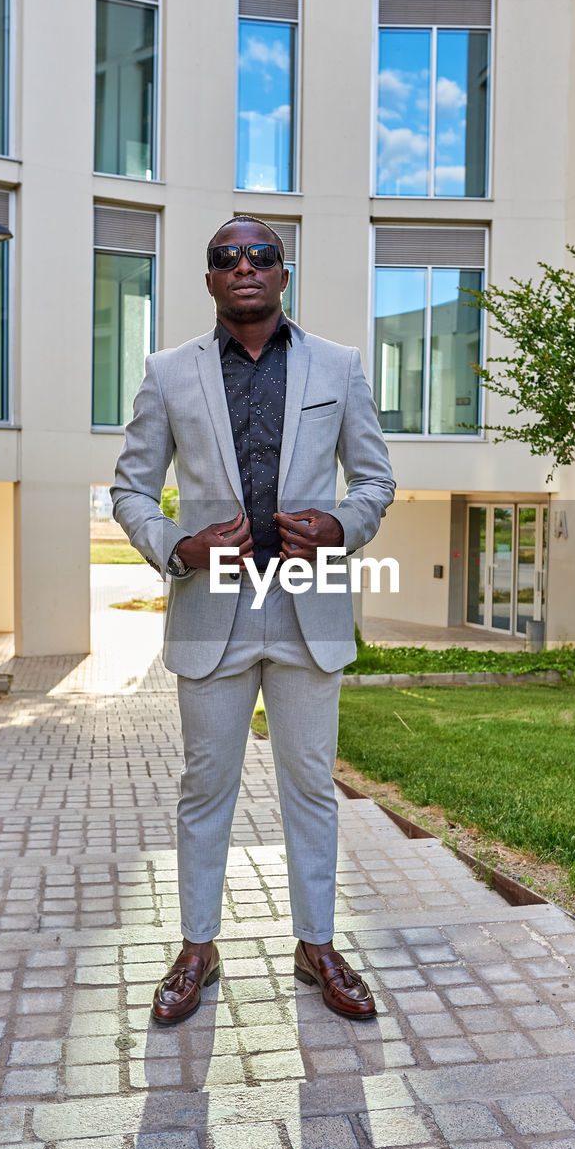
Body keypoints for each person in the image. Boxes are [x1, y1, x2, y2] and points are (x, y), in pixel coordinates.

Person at [111, 216, 394, 1025]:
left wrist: (342, 526)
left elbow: (374, 480)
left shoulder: (340, 365)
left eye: (261, 255)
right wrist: (178, 545)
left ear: (283, 273)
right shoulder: (168, 372)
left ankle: (316, 947)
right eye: (226, 258)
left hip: (309, 612)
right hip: (212, 615)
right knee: (207, 788)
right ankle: (198, 948)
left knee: (312, 786)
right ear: (207, 280)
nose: (245, 267)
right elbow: (129, 488)